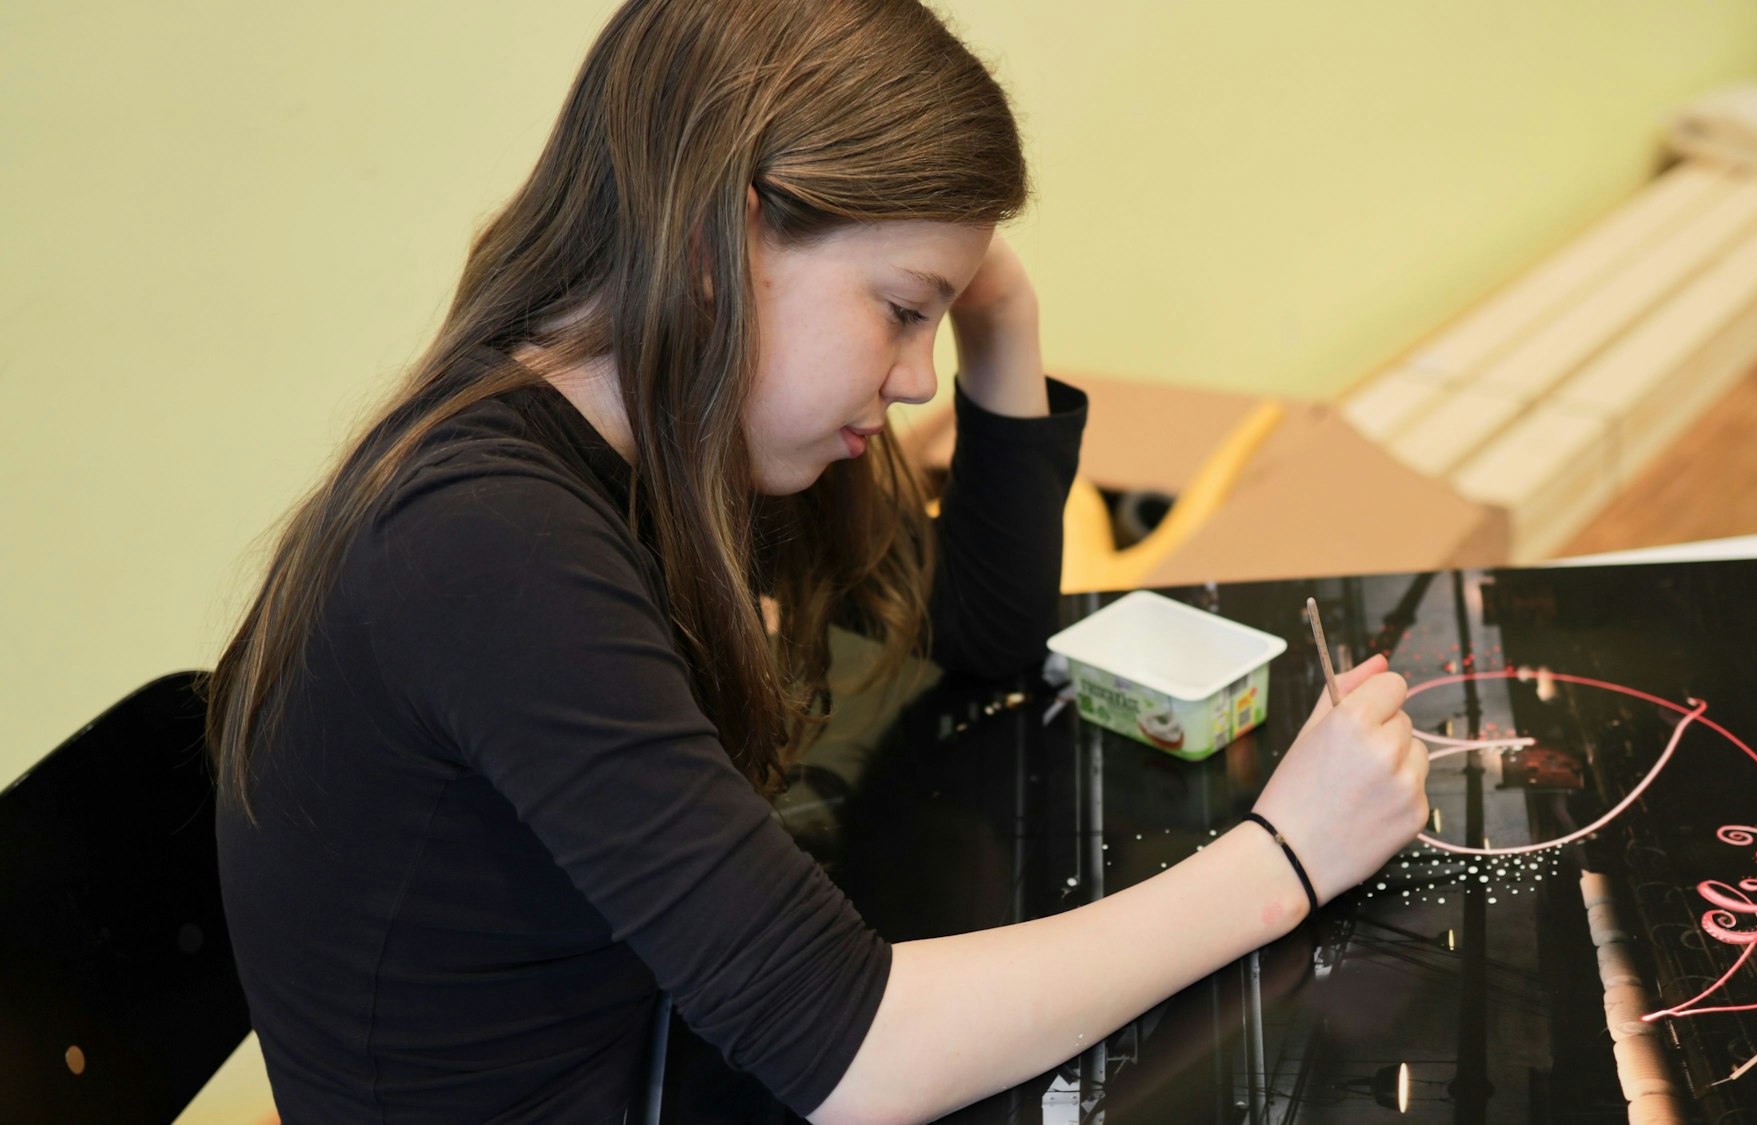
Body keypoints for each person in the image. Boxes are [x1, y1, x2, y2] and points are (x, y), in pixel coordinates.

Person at [200, 1, 1431, 1121]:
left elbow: (988, 636)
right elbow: (853, 1058)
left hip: (658, 1050)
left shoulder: (675, 426)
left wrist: (994, 310)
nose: (913, 378)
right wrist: (1282, 862)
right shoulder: (488, 547)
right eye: (902, 312)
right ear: (718, 242)